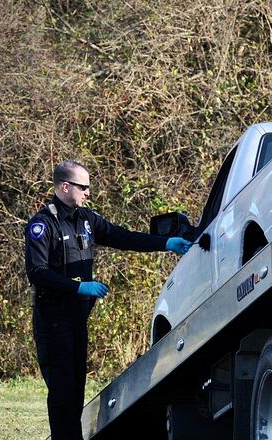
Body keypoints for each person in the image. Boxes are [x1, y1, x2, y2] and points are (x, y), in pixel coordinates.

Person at [25, 160, 191, 439]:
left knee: (76, 391)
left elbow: (121, 237)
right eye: (83, 186)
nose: (88, 192)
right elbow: (37, 273)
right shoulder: (43, 224)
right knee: (63, 393)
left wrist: (164, 244)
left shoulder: (86, 219)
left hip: (78, 319)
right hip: (53, 321)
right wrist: (79, 288)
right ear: (65, 187)